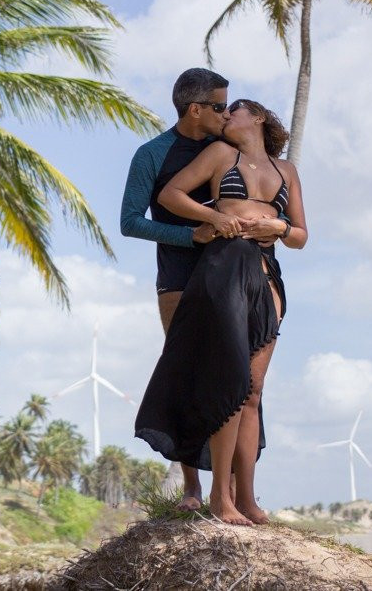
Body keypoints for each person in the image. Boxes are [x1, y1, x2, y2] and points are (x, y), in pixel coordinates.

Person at [134, 99, 308, 525]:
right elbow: (170, 195)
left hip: (267, 273)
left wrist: (279, 227)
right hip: (223, 267)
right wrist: (213, 215)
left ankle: (246, 499)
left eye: (235, 111)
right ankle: (219, 498)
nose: (226, 117)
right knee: (229, 383)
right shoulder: (219, 155)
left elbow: (301, 235)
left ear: (260, 117)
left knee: (252, 392)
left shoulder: (286, 170)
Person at [120, 68, 230, 511]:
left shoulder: (230, 149)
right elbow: (129, 222)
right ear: (196, 109)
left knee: (234, 379)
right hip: (177, 278)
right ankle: (191, 488)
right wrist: (191, 236)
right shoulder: (152, 154)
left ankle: (233, 490)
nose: (228, 114)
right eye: (221, 107)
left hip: (230, 276)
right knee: (185, 374)